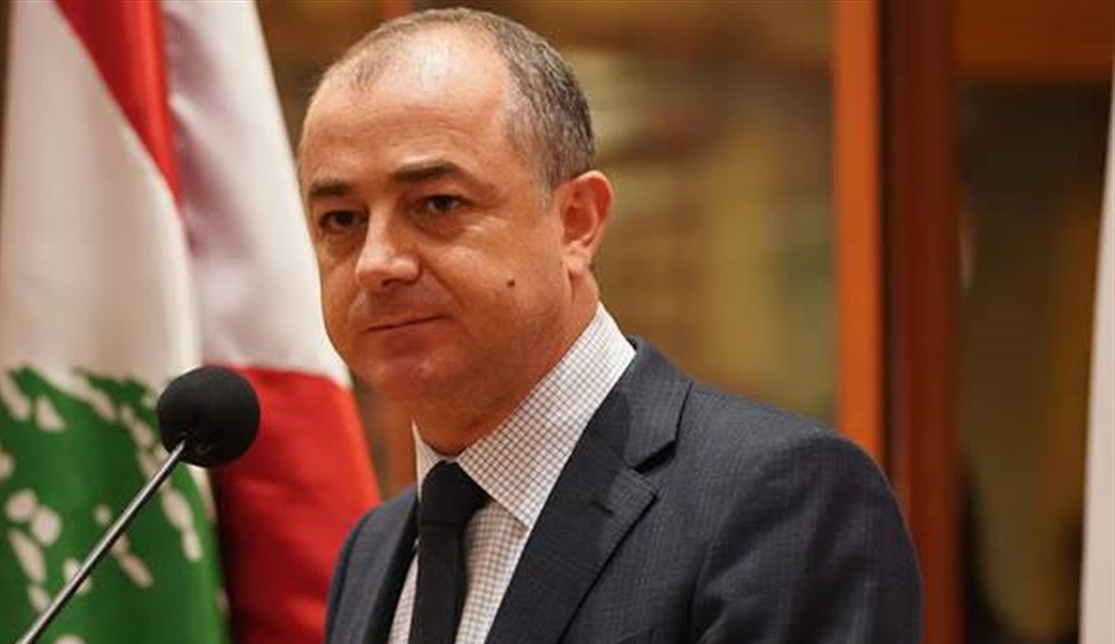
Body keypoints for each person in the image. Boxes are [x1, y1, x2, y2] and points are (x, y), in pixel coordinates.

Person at [299, 8, 921, 644]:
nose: (377, 263)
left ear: (577, 222)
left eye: (437, 204)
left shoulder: (779, 500)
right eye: (341, 220)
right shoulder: (371, 551)